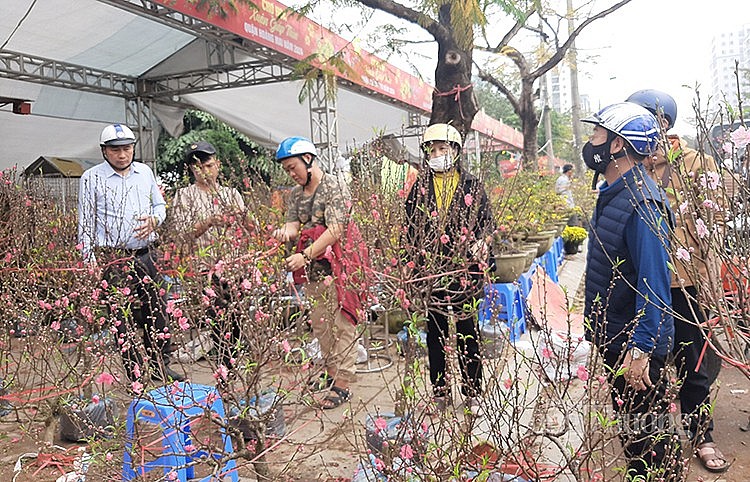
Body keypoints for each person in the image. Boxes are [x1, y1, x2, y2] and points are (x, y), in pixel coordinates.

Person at [627, 89, 729, 473]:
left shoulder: (696, 164)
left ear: (664, 124)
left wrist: (707, 282)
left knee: (693, 364)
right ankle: (654, 441)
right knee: (646, 366)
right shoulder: (631, 167)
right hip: (644, 289)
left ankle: (701, 436)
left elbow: (714, 225)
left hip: (685, 286)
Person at [581, 103, 682, 480]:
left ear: (620, 145)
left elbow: (654, 283)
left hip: (634, 347)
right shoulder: (617, 191)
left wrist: (641, 348)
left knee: (649, 445)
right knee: (635, 437)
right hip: (617, 336)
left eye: (597, 134)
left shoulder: (641, 202)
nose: (590, 142)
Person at [78, 124, 183, 383]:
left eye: (126, 149)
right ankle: (134, 373)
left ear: (133, 148)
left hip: (146, 253)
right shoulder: (91, 178)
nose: (122, 155)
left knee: (157, 310)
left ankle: (161, 365)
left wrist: (155, 220)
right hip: (113, 257)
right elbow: (85, 221)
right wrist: (88, 258)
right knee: (120, 317)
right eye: (115, 150)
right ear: (104, 151)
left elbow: (160, 205)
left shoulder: (145, 172)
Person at [403, 123, 495, 416]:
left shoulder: (471, 186)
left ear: (455, 151)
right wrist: (411, 263)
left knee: (468, 330)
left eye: (443, 148)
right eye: (432, 150)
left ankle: (473, 391)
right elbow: (409, 229)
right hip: (432, 271)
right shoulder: (419, 188)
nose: (437, 154)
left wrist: (482, 243)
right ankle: (440, 391)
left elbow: (487, 222)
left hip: (465, 271)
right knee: (436, 333)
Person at [271, 136, 357, 410]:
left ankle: (343, 383)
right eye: (286, 170)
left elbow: (336, 230)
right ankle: (331, 372)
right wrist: (282, 233)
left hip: (339, 266)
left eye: (293, 167)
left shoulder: (334, 187)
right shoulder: (297, 194)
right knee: (321, 323)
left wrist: (305, 255)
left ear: (308, 159)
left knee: (343, 323)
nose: (291, 174)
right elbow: (293, 225)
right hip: (313, 270)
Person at [170, 141, 247, 375]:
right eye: (197, 166)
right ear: (192, 170)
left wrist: (241, 219)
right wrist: (210, 221)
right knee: (216, 325)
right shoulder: (184, 196)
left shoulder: (231, 194)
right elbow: (183, 234)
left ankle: (234, 368)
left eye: (208, 165)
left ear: (218, 166)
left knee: (236, 323)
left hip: (234, 269)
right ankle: (224, 371)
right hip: (205, 272)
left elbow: (246, 229)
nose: (204, 170)